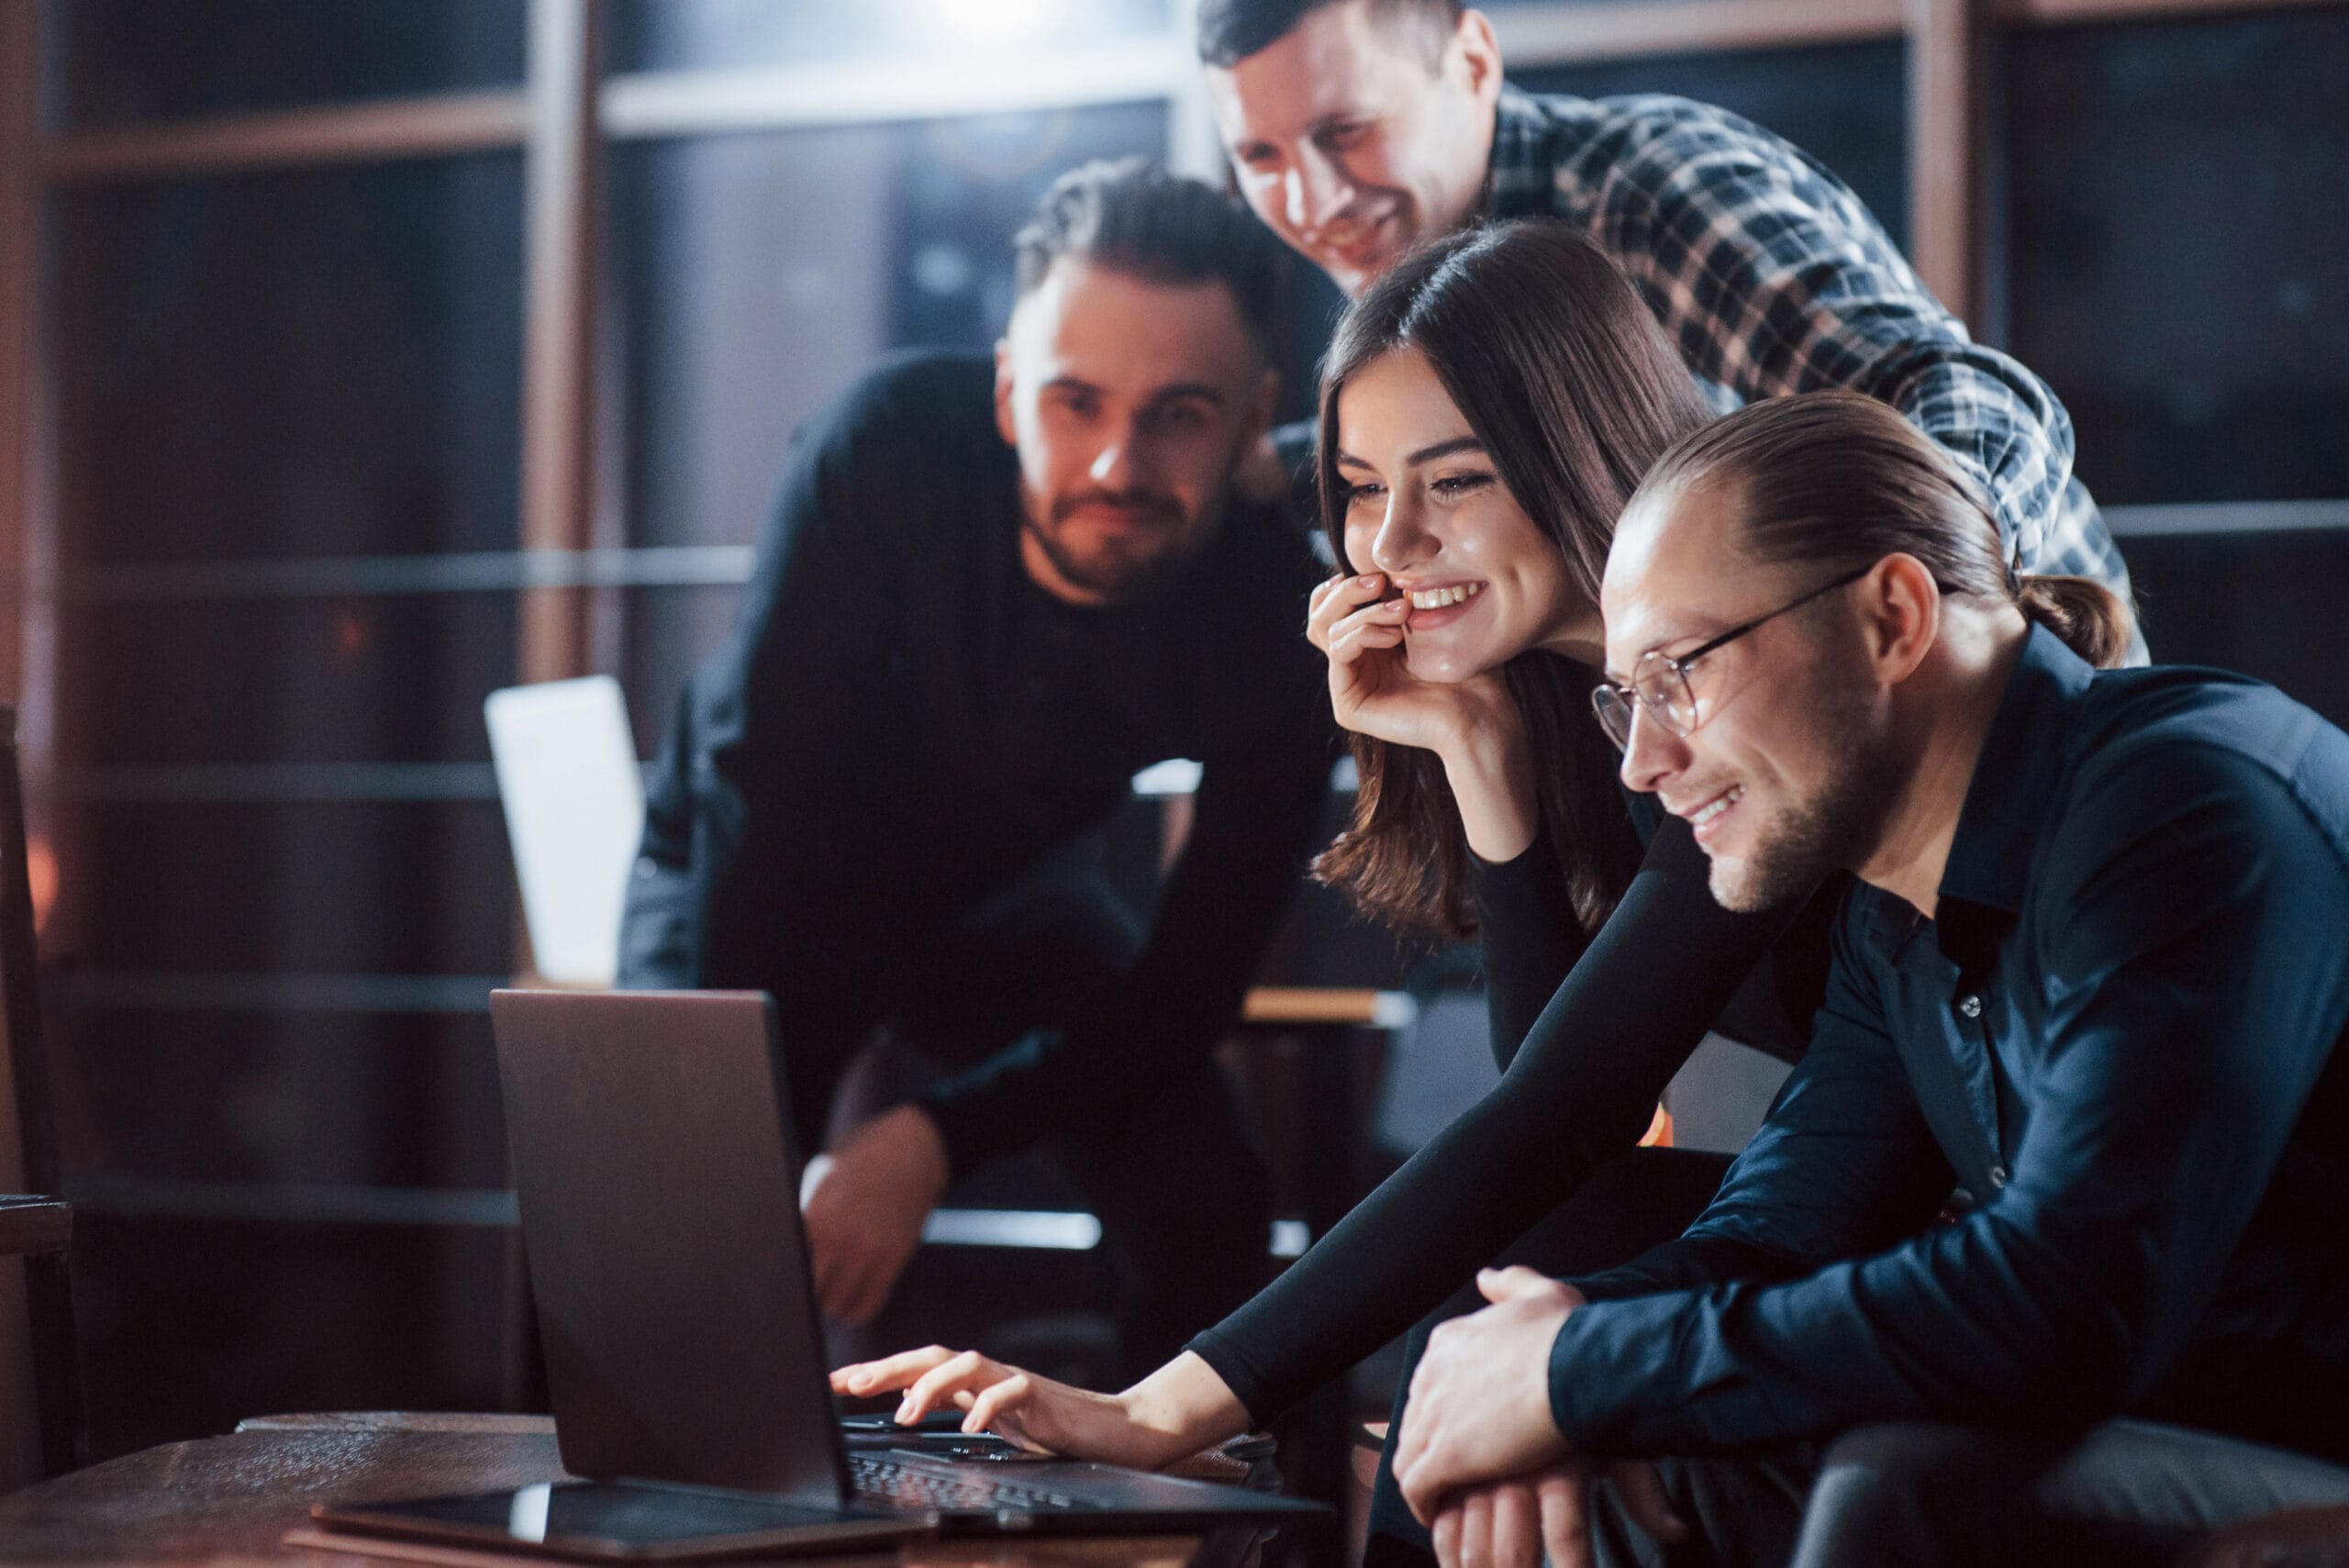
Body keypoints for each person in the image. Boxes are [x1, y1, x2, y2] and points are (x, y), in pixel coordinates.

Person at [835, 218, 2120, 1553]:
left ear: (1579, 452)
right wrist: (1476, 753)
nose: (1389, 542)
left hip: (1937, 1243)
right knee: (1475, 1370)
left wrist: (1166, 1404)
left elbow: (1558, 1123)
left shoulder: (1748, 708)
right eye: (1358, 485)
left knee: (1472, 1377)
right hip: (1813, 1215)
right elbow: (1570, 1118)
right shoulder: (1575, 712)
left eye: (1454, 482)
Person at [1386, 388, 2349, 1567]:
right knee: (1514, 1428)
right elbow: (1777, 1234)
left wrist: (1583, 1368)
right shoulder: (1896, 914)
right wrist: (1538, 1347)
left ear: (1892, 616)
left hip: (2299, 1446)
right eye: (1623, 697)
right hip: (2157, 1426)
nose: (1644, 762)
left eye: (1677, 671)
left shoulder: (2188, 805)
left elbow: (2065, 1302)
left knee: (1897, 1487)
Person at [618, 159, 1334, 1377]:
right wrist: (744, 1151)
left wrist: (932, 1139)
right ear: (1008, 393)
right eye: (1076, 402)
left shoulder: (1279, 612)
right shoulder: (880, 451)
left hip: (1004, 894)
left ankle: (1176, 1519)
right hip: (758, 860)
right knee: (662, 1205)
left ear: (1252, 415)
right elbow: (765, 817)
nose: (1120, 464)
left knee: (1207, 1187)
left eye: (1179, 413)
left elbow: (1190, 985)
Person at [1197, 0, 2140, 647]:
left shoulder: (1649, 201)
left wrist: (1849, 621)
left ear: (1473, 62)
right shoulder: (1415, 270)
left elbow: (1965, 398)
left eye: (1344, 131)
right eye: (1258, 154)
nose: (1309, 198)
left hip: (2043, 740)